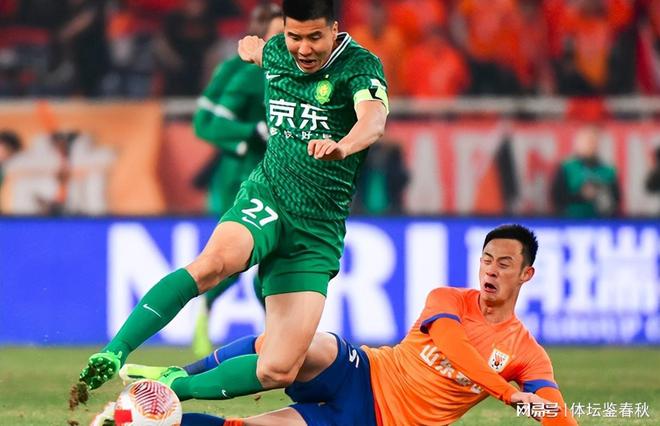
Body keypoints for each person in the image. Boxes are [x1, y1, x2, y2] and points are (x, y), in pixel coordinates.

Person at [79, 0, 389, 403]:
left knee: (278, 368)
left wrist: (343, 146)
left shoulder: (360, 66)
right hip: (269, 196)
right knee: (213, 265)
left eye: (315, 37)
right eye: (294, 37)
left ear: (334, 29)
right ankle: (114, 351)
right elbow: (260, 51)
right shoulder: (277, 52)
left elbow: (373, 119)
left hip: (317, 231)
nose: (304, 49)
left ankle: (172, 386)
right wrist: (252, 48)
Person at [120, 224, 577, 426]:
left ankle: (141, 421)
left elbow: (552, 409)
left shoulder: (526, 353)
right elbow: (455, 347)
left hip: (369, 421)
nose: (491, 270)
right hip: (362, 371)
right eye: (486, 259)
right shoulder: (448, 300)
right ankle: (174, 380)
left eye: (504, 264)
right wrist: (506, 393)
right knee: (295, 345)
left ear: (527, 274)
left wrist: (541, 409)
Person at [190, 2, 283, 358]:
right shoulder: (243, 73)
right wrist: (251, 133)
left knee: (274, 259)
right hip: (245, 177)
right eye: (278, 35)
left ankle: (277, 334)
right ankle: (205, 312)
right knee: (237, 258)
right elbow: (206, 123)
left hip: (284, 178)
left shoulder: (298, 73)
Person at [550, 124, 620, 218]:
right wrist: (581, 195)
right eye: (587, 141)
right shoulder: (567, 167)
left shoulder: (608, 170)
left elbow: (616, 199)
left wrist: (601, 195)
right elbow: (557, 196)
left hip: (600, 221)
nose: (590, 145)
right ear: (578, 143)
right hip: (571, 220)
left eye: (593, 141)